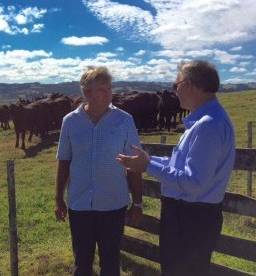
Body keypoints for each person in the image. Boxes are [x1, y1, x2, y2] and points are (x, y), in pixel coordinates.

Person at [116, 60, 235, 276]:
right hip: (192, 216)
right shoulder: (207, 121)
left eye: (176, 85)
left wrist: (148, 165)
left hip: (189, 218)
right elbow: (181, 165)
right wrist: (148, 160)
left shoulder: (208, 125)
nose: (175, 91)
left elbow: (193, 182)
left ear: (187, 84)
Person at [54, 66, 143, 276]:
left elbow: (133, 164)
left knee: (110, 264)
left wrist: (137, 202)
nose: (108, 94)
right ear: (86, 93)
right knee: (81, 264)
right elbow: (63, 161)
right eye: (101, 90)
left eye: (109, 88)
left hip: (113, 205)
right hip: (80, 205)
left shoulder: (124, 120)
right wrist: (58, 198)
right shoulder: (70, 122)